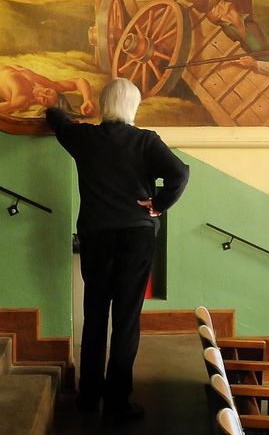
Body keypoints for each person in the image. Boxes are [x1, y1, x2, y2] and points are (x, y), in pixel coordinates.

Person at [46, 78, 189, 424]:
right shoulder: (145, 141)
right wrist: (157, 204)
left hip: (96, 236)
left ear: (102, 104)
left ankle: (88, 396)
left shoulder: (85, 138)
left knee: (94, 314)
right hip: (136, 236)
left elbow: (54, 115)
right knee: (126, 320)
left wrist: (77, 110)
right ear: (133, 106)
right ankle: (117, 402)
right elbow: (180, 174)